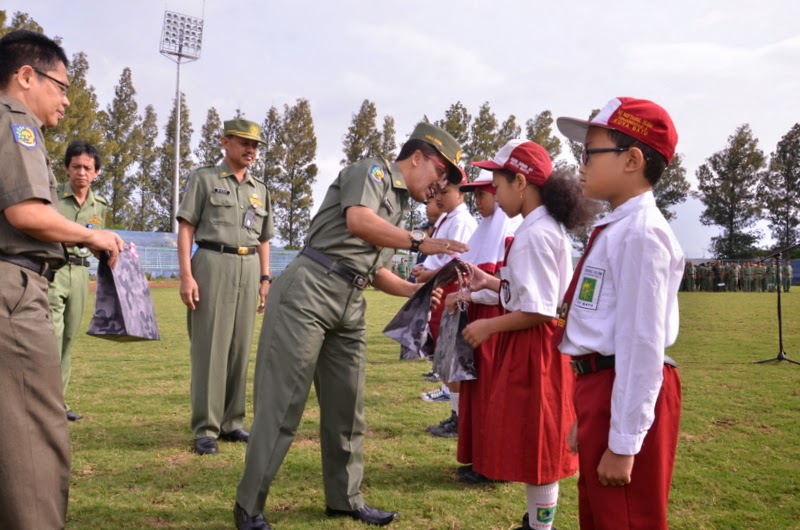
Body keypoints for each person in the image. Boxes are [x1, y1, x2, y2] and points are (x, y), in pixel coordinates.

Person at [234, 122, 469, 530]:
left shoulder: (397, 206)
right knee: (283, 405)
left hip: (350, 300)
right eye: (441, 172)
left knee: (348, 407)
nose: (440, 184)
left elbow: (377, 272)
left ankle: (345, 499)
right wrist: (418, 241)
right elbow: (359, 220)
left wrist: (418, 288)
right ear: (418, 158)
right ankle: (249, 506)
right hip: (309, 291)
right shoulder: (372, 172)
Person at [0, 29, 124, 530]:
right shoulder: (17, 123)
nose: (67, 99)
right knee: (34, 434)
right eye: (62, 85)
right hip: (13, 291)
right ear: (26, 76)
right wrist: (92, 236)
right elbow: (26, 213)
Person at [555, 97, 685, 530]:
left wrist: (624, 441)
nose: (581, 165)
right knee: (600, 515)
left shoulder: (642, 236)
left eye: (589, 153)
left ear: (631, 160)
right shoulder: (619, 229)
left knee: (626, 519)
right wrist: (591, 417)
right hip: (603, 386)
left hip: (622, 383)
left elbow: (641, 344)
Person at [461, 140, 595, 529]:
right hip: (539, 346)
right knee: (534, 443)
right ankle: (537, 521)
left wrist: (488, 325)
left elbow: (539, 310)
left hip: (538, 350)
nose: (494, 194)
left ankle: (540, 526)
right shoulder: (539, 228)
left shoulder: (535, 234)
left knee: (540, 446)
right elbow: (529, 292)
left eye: (498, 185)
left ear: (520, 182)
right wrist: (492, 281)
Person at [177, 118, 275, 456]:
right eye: (244, 142)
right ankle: (206, 427)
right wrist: (186, 275)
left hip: (249, 267)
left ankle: (232, 422)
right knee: (210, 349)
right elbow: (186, 227)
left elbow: (264, 238)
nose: (251, 150)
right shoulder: (204, 179)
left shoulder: (260, 189)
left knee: (239, 348)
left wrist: (265, 278)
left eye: (255, 145)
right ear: (225, 142)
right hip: (212, 262)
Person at [438, 170, 519, 476]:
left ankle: (495, 464)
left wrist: (465, 296)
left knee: (493, 395)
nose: (478, 202)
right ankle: (481, 459)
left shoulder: (507, 230)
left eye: (483, 194)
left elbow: (500, 288)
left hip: (494, 324)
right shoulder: (484, 230)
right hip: (478, 321)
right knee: (478, 394)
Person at [48, 140, 108, 422]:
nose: (81, 172)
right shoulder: (52, 197)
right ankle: (44, 403)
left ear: (96, 172)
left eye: (87, 167)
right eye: (76, 166)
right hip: (54, 269)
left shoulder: (99, 206)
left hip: (81, 273)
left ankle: (59, 402)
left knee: (69, 338)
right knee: (51, 337)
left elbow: (97, 242)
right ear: (66, 168)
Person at [414, 177, 477, 418]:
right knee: (444, 354)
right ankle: (455, 413)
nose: (439, 197)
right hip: (440, 286)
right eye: (437, 192)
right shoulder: (446, 219)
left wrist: (428, 273)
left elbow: (457, 262)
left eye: (446, 192)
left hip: (450, 288)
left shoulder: (460, 221)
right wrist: (424, 269)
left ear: (461, 194)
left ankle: (458, 417)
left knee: (451, 357)